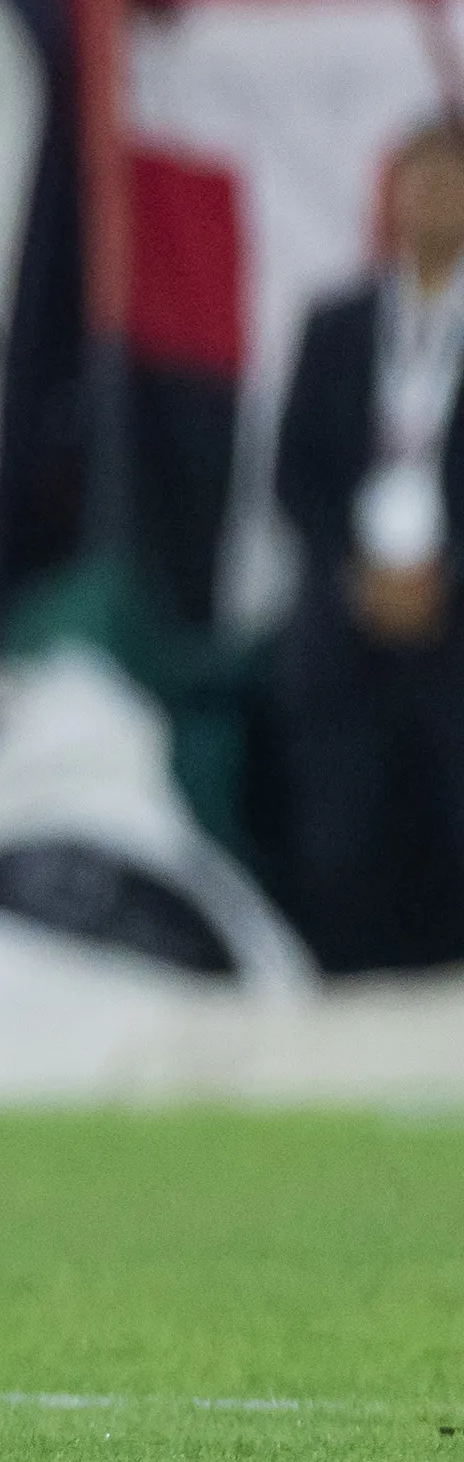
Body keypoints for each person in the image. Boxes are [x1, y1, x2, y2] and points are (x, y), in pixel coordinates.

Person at [269, 117, 464, 975]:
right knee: (340, 826)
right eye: (419, 183)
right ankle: (342, 986)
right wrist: (357, 577)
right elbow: (295, 474)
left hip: (453, 615)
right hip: (352, 611)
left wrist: (442, 579)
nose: (434, 203)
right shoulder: (339, 323)